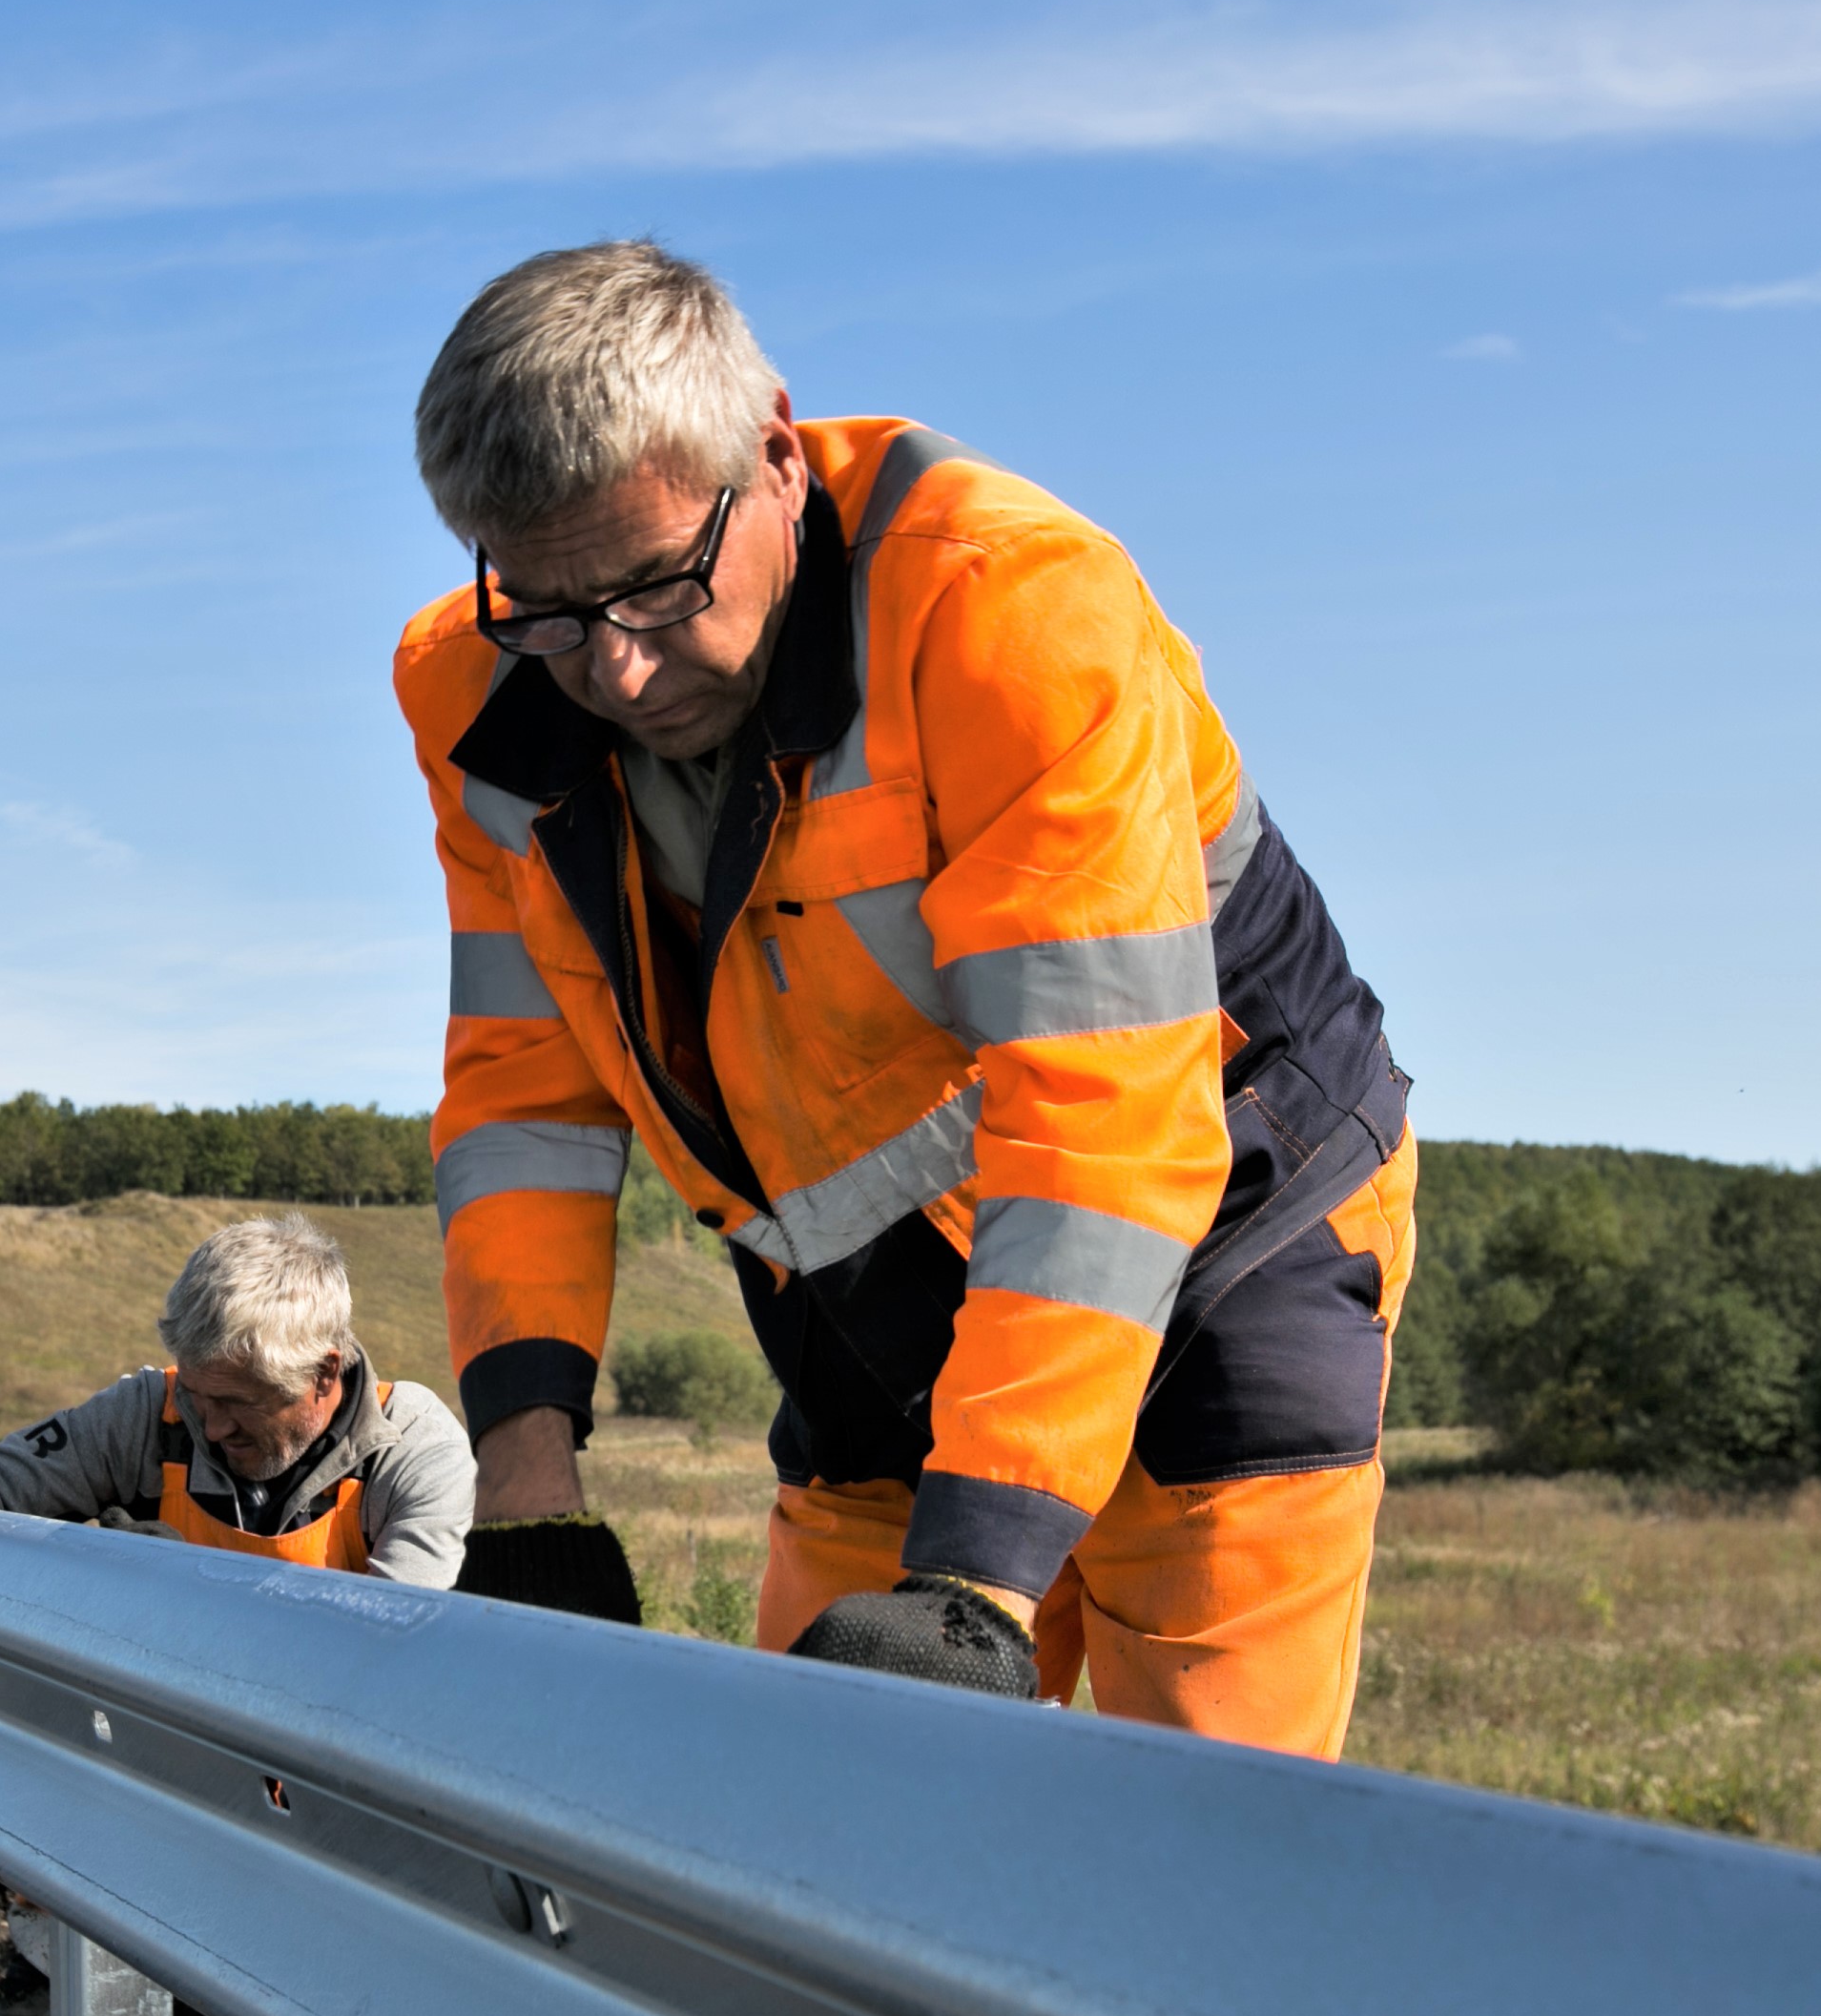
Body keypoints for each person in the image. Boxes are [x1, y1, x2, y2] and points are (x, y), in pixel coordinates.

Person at [393, 240, 1416, 1751]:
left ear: (776, 456)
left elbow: (1103, 1124)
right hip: (864, 1309)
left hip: (1218, 1245)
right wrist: (528, 1495)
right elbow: (526, 1105)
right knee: (817, 1831)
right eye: (545, 606)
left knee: (1193, 1860)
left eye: (659, 586)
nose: (611, 668)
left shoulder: (1012, 613)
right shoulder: (475, 693)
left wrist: (980, 1583)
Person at [0, 1216, 472, 1586]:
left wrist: (186, 1591)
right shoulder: (150, 1414)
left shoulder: (412, 1449)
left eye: (239, 1403)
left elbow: (387, 1656)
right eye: (198, 1396)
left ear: (324, 1374)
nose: (213, 1428)